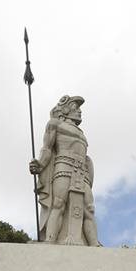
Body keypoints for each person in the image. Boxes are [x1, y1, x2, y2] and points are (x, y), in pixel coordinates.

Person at [29, 95, 100, 245]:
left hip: (82, 170)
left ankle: (94, 244)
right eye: (76, 108)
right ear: (65, 110)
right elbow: (47, 148)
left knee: (89, 209)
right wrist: (40, 164)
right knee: (59, 204)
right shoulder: (54, 124)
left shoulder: (82, 133)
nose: (80, 111)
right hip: (63, 166)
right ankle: (50, 240)